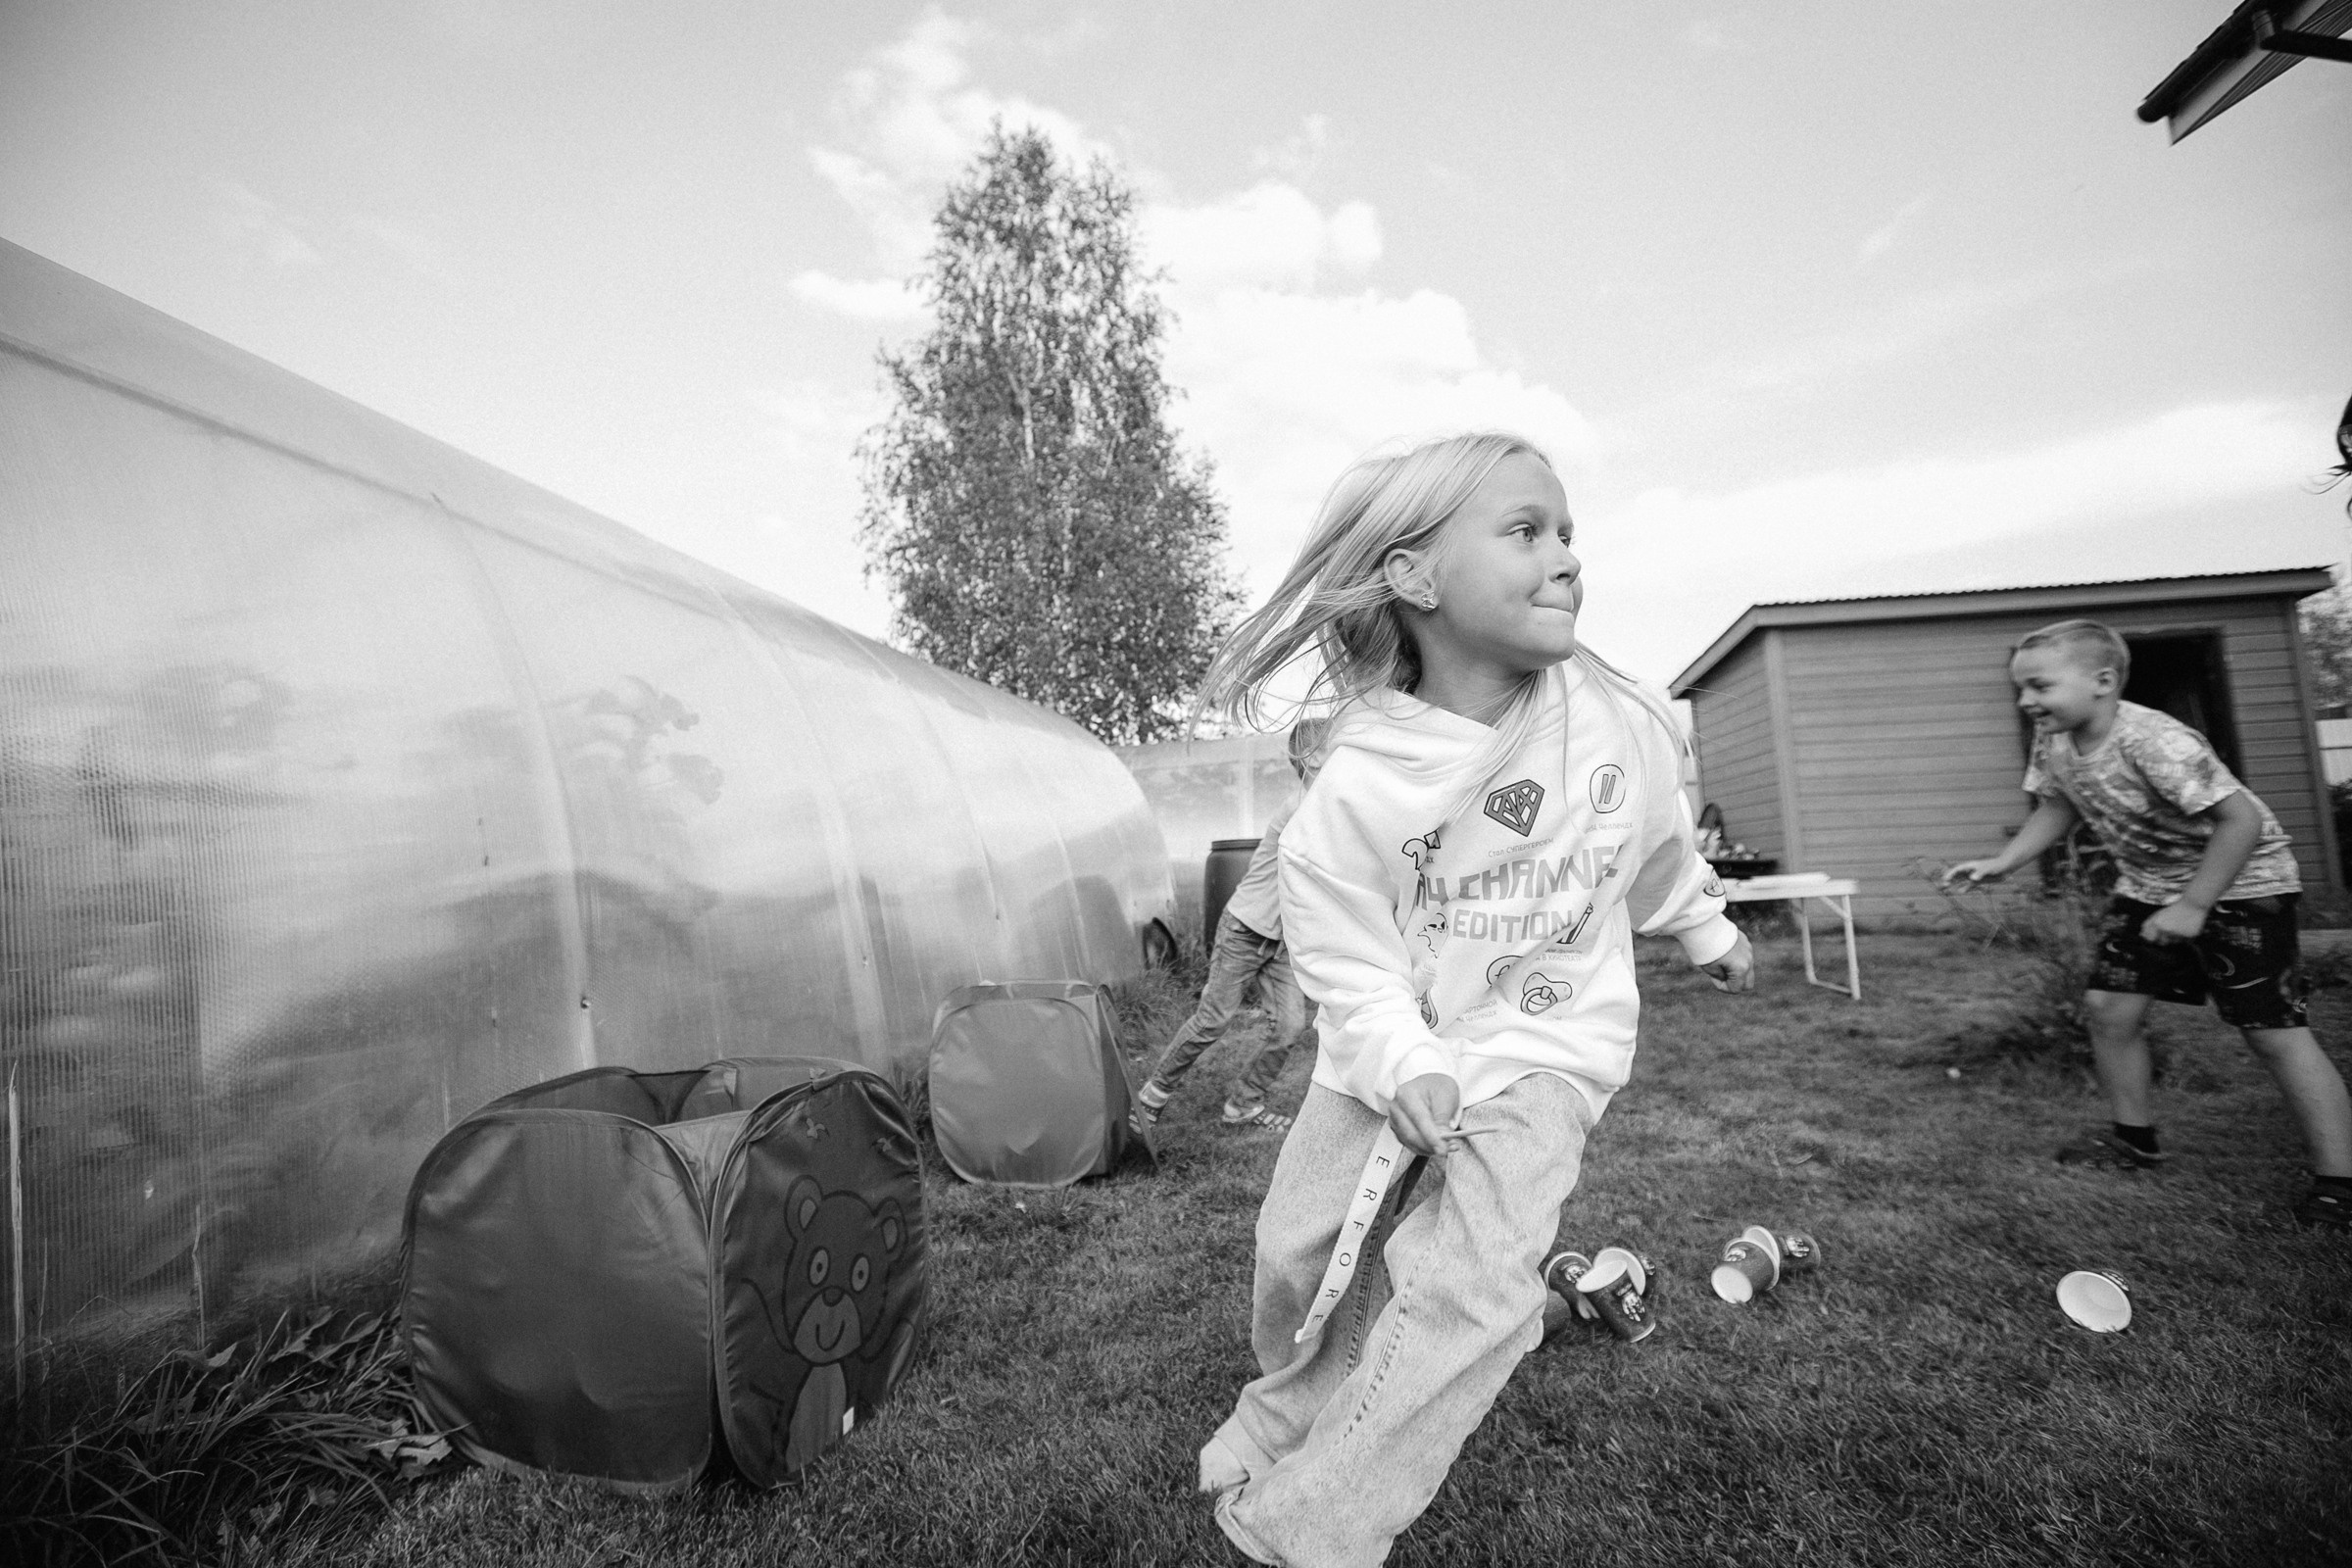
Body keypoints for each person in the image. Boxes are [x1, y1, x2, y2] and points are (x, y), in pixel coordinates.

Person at [1188, 431, 1756, 1567]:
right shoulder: (1362, 777)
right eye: (1525, 531)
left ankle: (1314, 1524)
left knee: (1474, 1285)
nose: (1564, 558)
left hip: (1552, 1042)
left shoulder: (1620, 717)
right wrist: (1404, 1059)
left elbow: (1650, 842)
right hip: (1393, 1043)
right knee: (1298, 1248)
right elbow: (1343, 951)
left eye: (1567, 533)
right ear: (1413, 576)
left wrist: (1703, 921)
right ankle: (1283, 1413)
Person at [1945, 618, 2352, 1229]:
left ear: (2103, 682)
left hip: (2245, 884)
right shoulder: (2055, 738)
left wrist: (2193, 906)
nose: (2028, 701)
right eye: (2021, 689)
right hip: (2149, 888)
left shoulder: (2156, 741)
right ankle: (2134, 1141)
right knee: (2110, 1009)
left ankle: (2340, 1182)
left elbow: (2239, 823)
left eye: (2041, 686)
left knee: (2272, 1032)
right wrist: (2006, 861)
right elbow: (2059, 802)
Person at [1136, 719, 1330, 1134]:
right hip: (1245, 929)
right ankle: (1151, 1097)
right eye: (1340, 747)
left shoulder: (1328, 803)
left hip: (1279, 942)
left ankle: (1244, 1105)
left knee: (1291, 1026)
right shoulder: (1302, 808)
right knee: (1213, 1019)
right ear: (1313, 758)